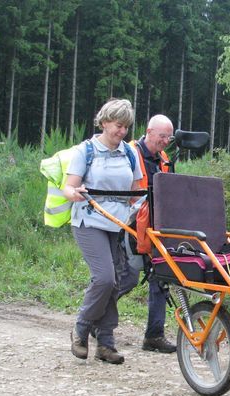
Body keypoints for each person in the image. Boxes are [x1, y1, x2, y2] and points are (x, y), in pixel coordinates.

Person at [65, 98, 143, 365]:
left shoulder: (130, 153)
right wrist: (74, 194)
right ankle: (81, 327)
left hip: (118, 224)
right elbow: (69, 186)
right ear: (104, 121)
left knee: (116, 282)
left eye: (126, 127)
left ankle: (106, 344)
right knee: (104, 279)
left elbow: (136, 191)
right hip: (89, 222)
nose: (122, 131)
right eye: (118, 125)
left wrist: (141, 208)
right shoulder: (85, 151)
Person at [125, 114, 177, 354]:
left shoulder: (164, 159)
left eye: (169, 137)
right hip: (128, 225)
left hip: (156, 225)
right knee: (126, 278)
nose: (166, 141)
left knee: (160, 276)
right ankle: (97, 319)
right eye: (162, 136)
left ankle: (154, 335)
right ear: (149, 131)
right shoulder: (129, 153)